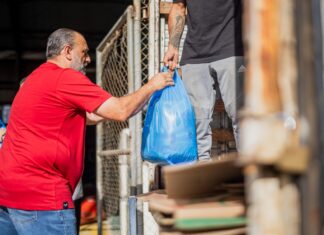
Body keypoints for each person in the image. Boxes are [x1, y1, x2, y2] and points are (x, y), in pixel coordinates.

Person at [0, 28, 173, 235]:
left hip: (8, 193)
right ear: (67, 51)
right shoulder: (65, 78)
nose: (88, 59)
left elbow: (93, 116)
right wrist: (152, 86)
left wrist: (141, 101)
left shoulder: (34, 80)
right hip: (42, 196)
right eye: (84, 52)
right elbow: (120, 110)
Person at [163, 0, 244, 160]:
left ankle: (251, 175)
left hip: (232, 49)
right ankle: (200, 178)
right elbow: (178, 7)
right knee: (196, 124)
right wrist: (172, 46)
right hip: (194, 54)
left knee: (242, 118)